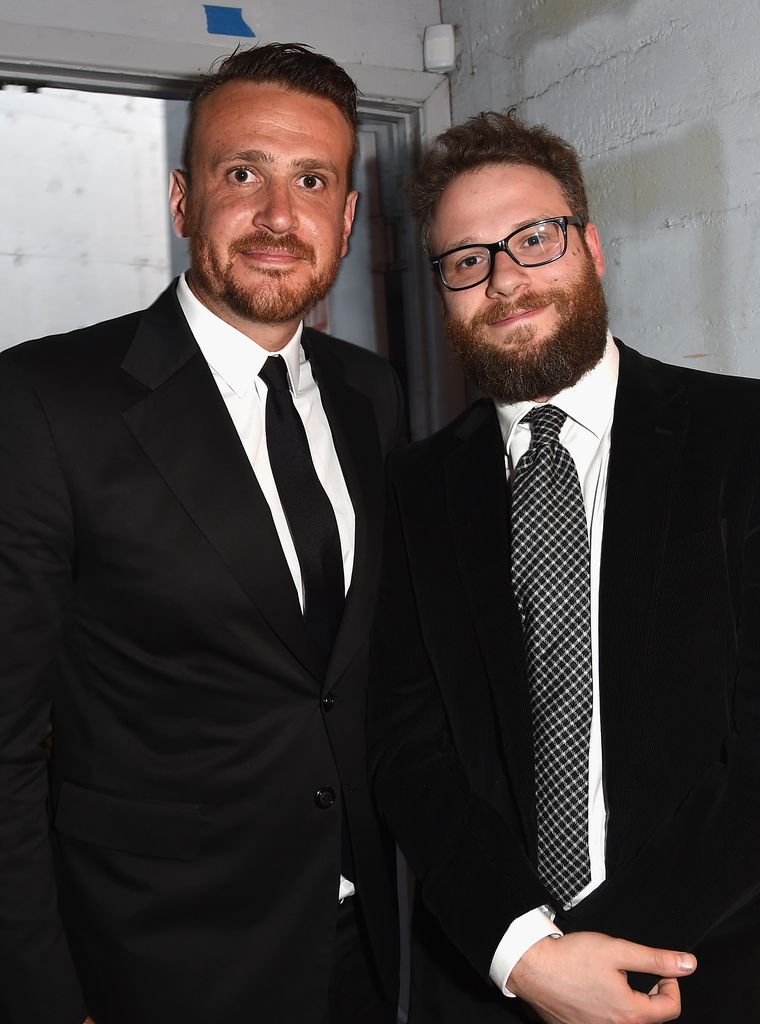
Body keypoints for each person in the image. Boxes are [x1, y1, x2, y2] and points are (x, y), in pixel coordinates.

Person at [0, 43, 404, 1024]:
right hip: (156, 966)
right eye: (241, 174)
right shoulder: (45, 402)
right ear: (184, 201)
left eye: (312, 180)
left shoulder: (372, 394)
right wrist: (47, 1001)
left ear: (346, 218)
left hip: (366, 947)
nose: (278, 215)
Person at [368, 109, 760, 1024]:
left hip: (709, 972)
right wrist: (529, 959)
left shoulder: (740, 440)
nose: (504, 279)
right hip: (488, 979)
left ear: (591, 247)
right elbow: (405, 748)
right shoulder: (413, 490)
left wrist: (596, 959)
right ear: (445, 293)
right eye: (466, 260)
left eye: (533, 239)